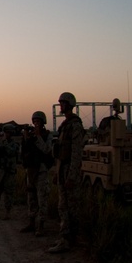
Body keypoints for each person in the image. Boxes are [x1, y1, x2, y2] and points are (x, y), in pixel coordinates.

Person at [48, 92, 85, 253]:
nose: (60, 106)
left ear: (69, 105)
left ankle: (70, 239)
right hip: (63, 169)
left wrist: (71, 176)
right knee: (63, 206)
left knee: (71, 207)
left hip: (70, 171)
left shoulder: (75, 125)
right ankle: (67, 237)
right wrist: (57, 172)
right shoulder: (65, 125)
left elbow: (76, 153)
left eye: (63, 103)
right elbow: (61, 152)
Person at [20, 111, 53, 235]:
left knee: (42, 198)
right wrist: (26, 138)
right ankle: (31, 222)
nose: (36, 124)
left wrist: (38, 137)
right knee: (31, 198)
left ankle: (41, 226)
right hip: (31, 171)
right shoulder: (30, 135)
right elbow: (23, 153)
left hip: (41, 171)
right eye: (35, 121)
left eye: (38, 121)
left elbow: (47, 150)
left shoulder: (47, 135)